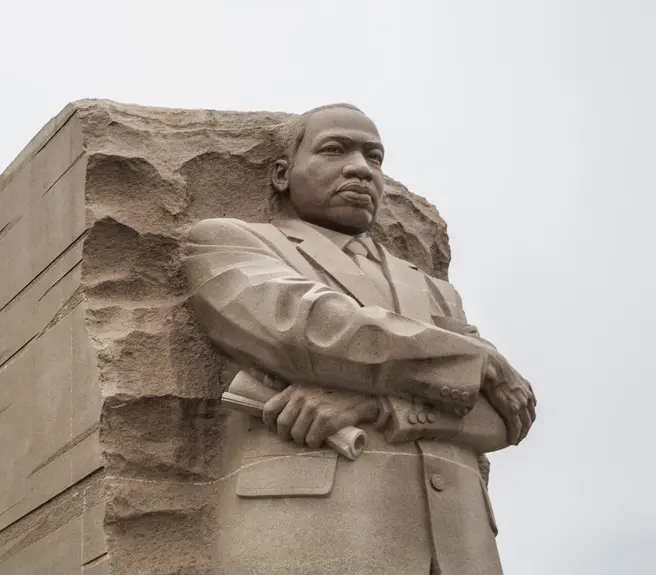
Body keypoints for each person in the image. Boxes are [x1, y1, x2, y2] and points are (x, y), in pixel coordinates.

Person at [182, 104, 536, 575]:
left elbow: (502, 418)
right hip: (317, 535)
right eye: (334, 150)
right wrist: (480, 359)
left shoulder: (434, 290)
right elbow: (313, 330)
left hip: (462, 548)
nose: (360, 168)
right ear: (282, 174)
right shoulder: (229, 242)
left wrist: (375, 408)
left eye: (375, 157)